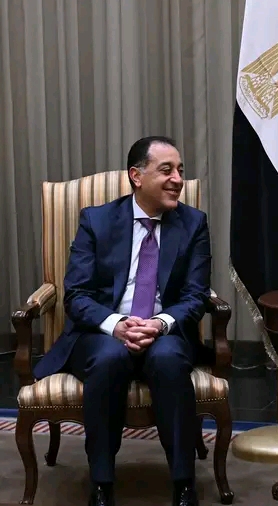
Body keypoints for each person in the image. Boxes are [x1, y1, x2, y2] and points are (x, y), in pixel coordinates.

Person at [33, 136, 212, 506]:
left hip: (164, 331)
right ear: (136, 176)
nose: (178, 179)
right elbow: (76, 295)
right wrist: (115, 324)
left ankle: (183, 485)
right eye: (166, 170)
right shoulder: (96, 220)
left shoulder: (193, 223)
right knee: (109, 359)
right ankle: (101, 484)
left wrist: (159, 323)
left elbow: (196, 296)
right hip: (102, 332)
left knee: (167, 359)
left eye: (180, 171)